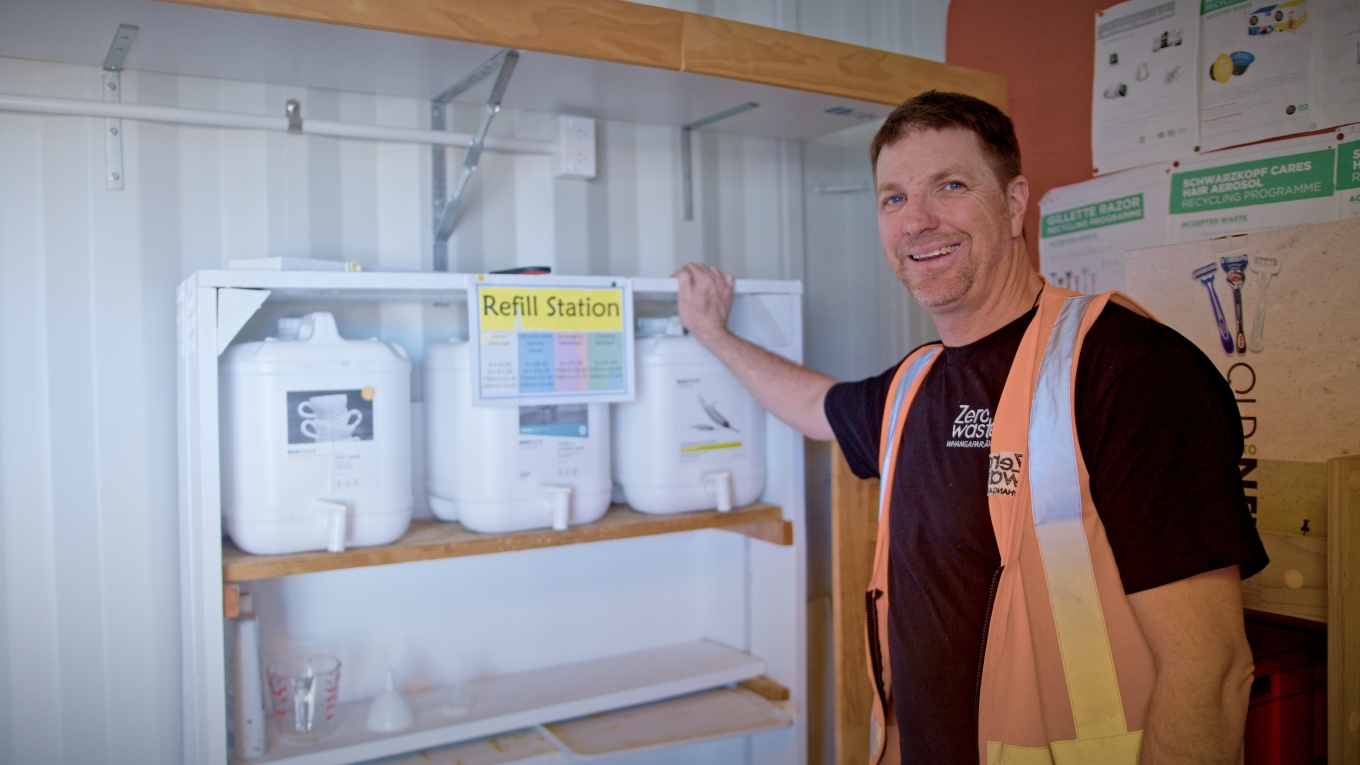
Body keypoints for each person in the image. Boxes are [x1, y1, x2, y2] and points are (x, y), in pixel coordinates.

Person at [674, 90, 1267, 764]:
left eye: (950, 186)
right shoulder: (913, 387)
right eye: (894, 198)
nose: (917, 220)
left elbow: (1211, 673)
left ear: (1013, 204)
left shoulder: (1129, 370)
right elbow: (815, 406)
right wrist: (712, 333)